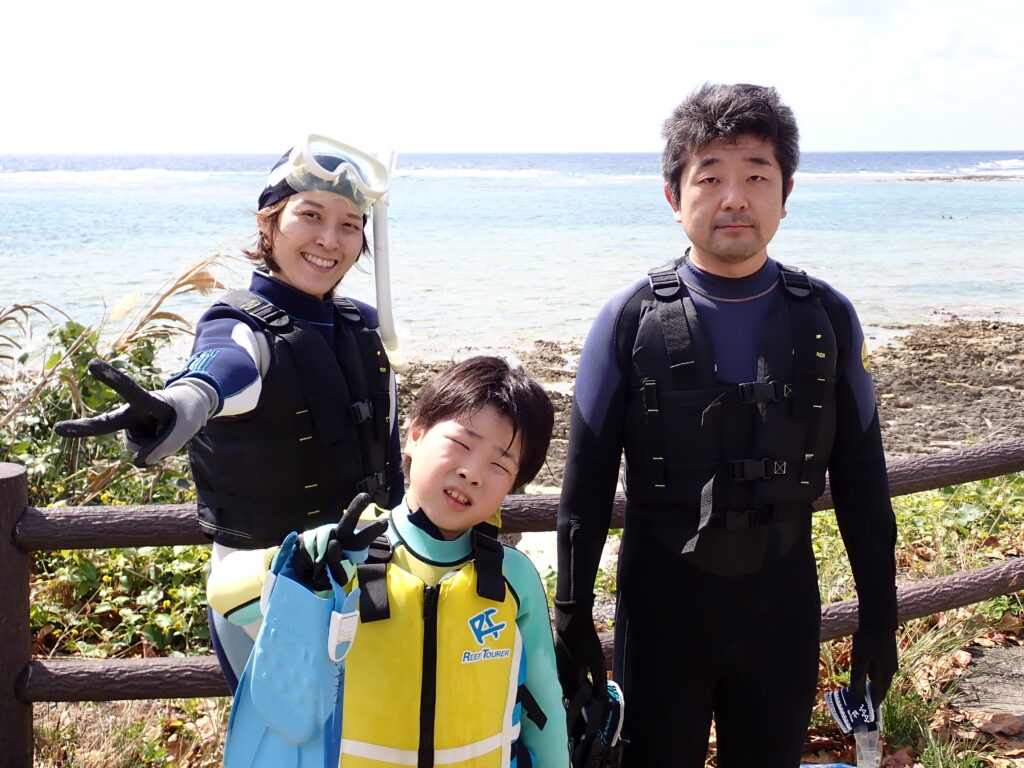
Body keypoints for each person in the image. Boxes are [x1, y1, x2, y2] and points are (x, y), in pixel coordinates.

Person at [554, 83, 898, 767]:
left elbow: (864, 484)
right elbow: (584, 487)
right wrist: (570, 616)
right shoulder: (628, 319)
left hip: (782, 613)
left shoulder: (827, 317)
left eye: (756, 177)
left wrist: (879, 618)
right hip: (660, 616)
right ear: (673, 196)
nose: (734, 198)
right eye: (709, 178)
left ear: (786, 193)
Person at [54, 135, 405, 692]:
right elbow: (223, 366)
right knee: (284, 733)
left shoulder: (363, 324)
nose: (329, 239)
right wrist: (181, 405)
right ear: (268, 222)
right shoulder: (239, 325)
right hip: (263, 595)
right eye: (310, 215)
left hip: (364, 579)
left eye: (349, 224)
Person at [208, 355, 569, 767]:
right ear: (414, 435)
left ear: (514, 484)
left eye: (499, 465)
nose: (472, 473)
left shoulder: (512, 577)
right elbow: (224, 597)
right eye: (461, 444)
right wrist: (302, 560)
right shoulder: (347, 551)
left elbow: (544, 708)